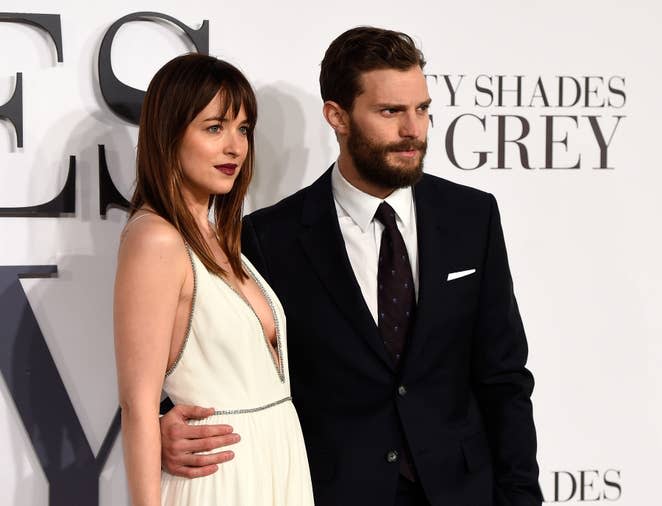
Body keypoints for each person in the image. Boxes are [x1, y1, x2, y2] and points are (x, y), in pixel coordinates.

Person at [160, 28, 542, 506]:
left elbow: (503, 375)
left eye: (422, 109)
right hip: (328, 491)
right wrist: (163, 421)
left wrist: (521, 496)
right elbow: (214, 354)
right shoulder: (269, 237)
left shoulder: (472, 216)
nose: (413, 130)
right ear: (337, 116)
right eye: (390, 112)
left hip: (461, 491)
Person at [113, 53, 314, 505]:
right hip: (220, 481)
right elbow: (137, 406)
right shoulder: (156, 240)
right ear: (169, 134)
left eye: (243, 129)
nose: (235, 147)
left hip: (276, 469)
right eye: (214, 127)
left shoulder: (219, 235)